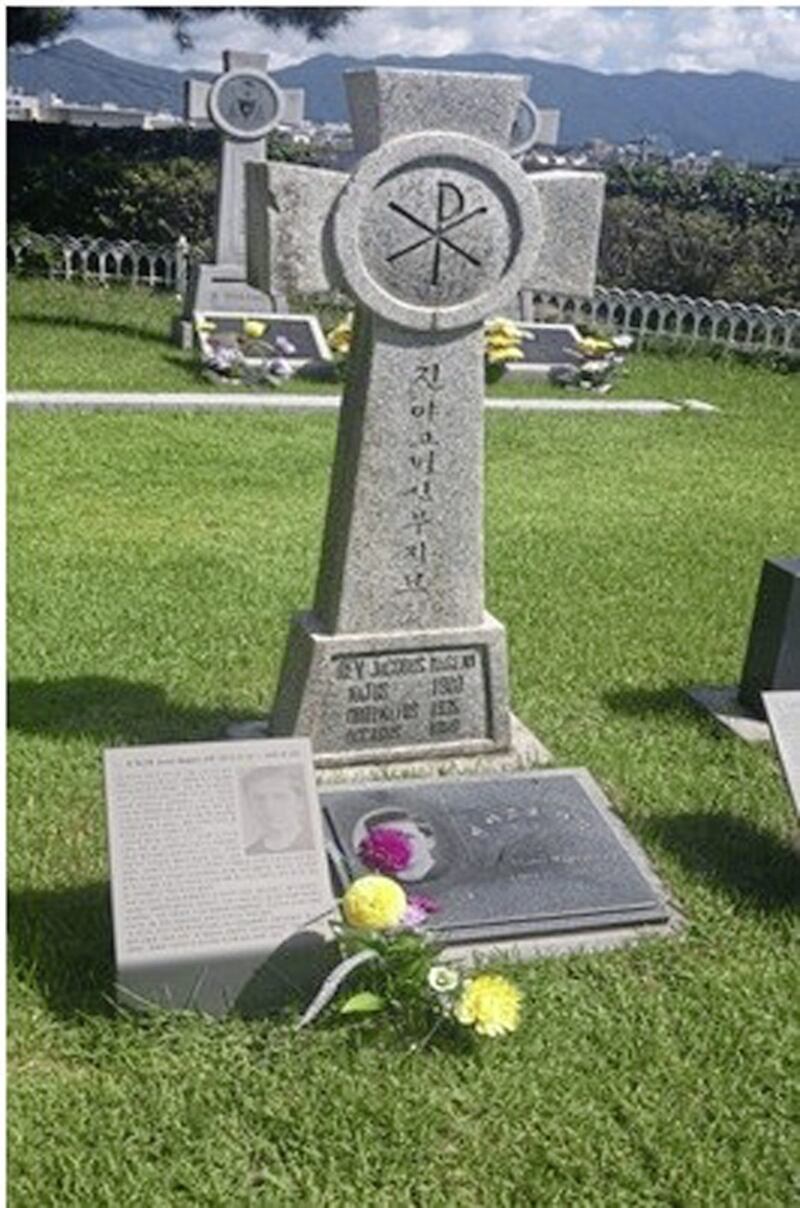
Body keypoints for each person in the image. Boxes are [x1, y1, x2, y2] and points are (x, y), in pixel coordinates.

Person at [238, 765, 309, 855]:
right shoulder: (250, 852)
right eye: (260, 799)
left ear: (300, 802)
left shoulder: (311, 842)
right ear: (250, 805)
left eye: (279, 797)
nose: (269, 807)